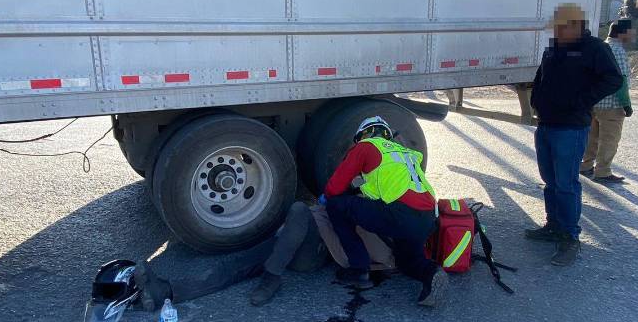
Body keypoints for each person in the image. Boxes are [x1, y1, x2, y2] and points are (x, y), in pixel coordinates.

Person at [132, 201, 396, 309]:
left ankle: (271, 277)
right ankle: (164, 292)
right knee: (242, 261)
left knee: (299, 209)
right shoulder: (382, 214)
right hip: (306, 243)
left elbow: (378, 258)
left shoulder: (381, 227)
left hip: (314, 250)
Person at [526, 3, 623, 266]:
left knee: (567, 184)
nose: (556, 31)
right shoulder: (555, 48)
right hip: (546, 124)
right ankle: (553, 226)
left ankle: (570, 237)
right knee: (550, 180)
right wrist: (536, 101)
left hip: (571, 127)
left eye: (560, 27)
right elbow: (541, 78)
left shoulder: (594, 49)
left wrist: (583, 101)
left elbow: (614, 79)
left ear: (575, 26)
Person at [322, 116, 448, 307]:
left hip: (402, 214)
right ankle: (432, 274)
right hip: (429, 218)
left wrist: (328, 197)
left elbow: (335, 187)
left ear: (364, 134)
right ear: (387, 134)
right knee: (407, 262)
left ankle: (359, 269)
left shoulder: (366, 146)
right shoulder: (405, 152)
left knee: (336, 205)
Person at [580, 18, 634, 183]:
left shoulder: (600, 47)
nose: (633, 35)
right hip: (612, 104)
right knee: (609, 139)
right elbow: (621, 81)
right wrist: (626, 104)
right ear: (623, 32)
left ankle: (585, 165)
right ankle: (603, 171)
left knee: (592, 137)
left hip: (594, 102)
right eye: (632, 31)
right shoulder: (618, 51)